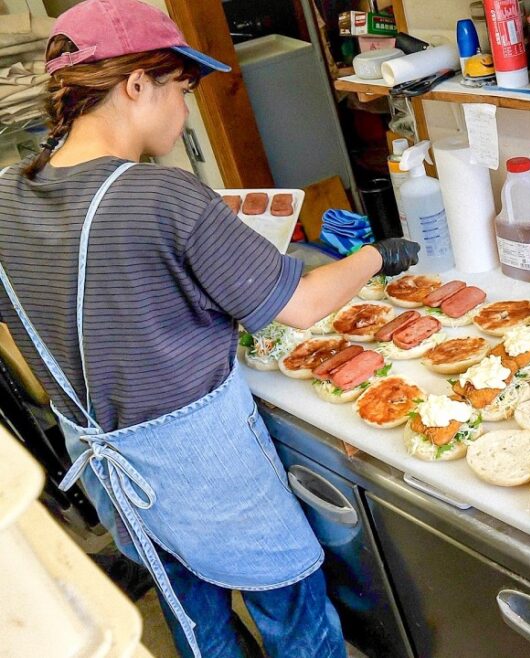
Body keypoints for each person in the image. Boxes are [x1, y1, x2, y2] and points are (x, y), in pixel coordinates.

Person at [0, 1, 420, 656]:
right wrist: (376, 255)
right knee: (292, 608)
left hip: (116, 481)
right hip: (205, 471)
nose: (185, 108)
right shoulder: (162, 196)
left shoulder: (7, 194)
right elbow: (302, 304)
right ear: (136, 84)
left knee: (198, 624)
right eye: (181, 88)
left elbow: (104, 299)